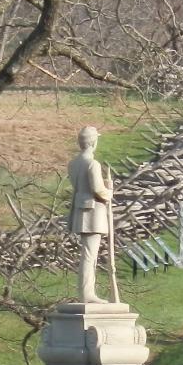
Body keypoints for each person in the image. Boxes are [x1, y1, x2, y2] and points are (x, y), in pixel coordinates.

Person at [66, 125, 114, 303]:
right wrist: (109, 192)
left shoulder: (73, 163)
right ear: (93, 142)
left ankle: (87, 292)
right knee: (89, 255)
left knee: (88, 254)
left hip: (80, 209)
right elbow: (97, 190)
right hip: (93, 213)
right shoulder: (92, 164)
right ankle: (88, 294)